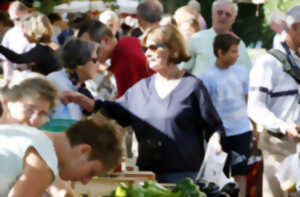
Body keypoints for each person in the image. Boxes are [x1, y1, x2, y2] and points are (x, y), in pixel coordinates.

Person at [63, 24, 225, 184]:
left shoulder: (192, 86)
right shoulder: (141, 88)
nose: (147, 53)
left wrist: (215, 141)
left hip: (183, 176)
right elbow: (114, 111)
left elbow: (214, 126)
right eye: (145, 49)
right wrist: (83, 100)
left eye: (154, 48)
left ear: (174, 50)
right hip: (148, 176)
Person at [0, 114, 123, 196]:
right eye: (91, 172)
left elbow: (62, 190)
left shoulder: (34, 137)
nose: (85, 182)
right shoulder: (44, 162)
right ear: (84, 151)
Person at [248, 5, 300, 197]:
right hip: (279, 148)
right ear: (294, 27)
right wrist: (283, 126)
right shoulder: (267, 63)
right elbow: (255, 107)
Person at [201, 34, 251, 197]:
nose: (236, 55)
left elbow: (247, 99)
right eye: (233, 52)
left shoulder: (242, 73)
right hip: (219, 133)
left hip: (241, 130)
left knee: (240, 171)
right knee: (217, 173)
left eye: (237, 52)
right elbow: (206, 107)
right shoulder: (207, 77)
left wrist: (254, 126)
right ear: (220, 52)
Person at [78, 20, 153, 98]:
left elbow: (125, 105)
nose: (90, 55)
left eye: (91, 48)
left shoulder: (123, 61)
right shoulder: (127, 41)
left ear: (106, 40)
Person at [184, 0, 252, 77]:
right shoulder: (196, 39)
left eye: (228, 14)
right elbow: (183, 70)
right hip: (199, 88)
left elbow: (247, 74)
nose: (223, 16)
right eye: (219, 12)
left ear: (233, 20)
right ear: (212, 14)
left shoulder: (239, 45)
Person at [48, 39, 99, 120]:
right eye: (95, 60)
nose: (98, 65)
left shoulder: (81, 87)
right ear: (81, 63)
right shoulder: (56, 83)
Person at [0, 11, 61, 76]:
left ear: (33, 30)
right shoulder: (50, 45)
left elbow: (18, 59)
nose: (24, 34)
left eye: (25, 30)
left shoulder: (41, 50)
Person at [1, 1, 34, 80]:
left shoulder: (39, 30)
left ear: (27, 13)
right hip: (16, 79)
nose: (16, 23)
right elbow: (5, 60)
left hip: (35, 79)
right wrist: (7, 78)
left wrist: (27, 65)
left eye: (18, 19)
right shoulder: (10, 34)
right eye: (13, 20)